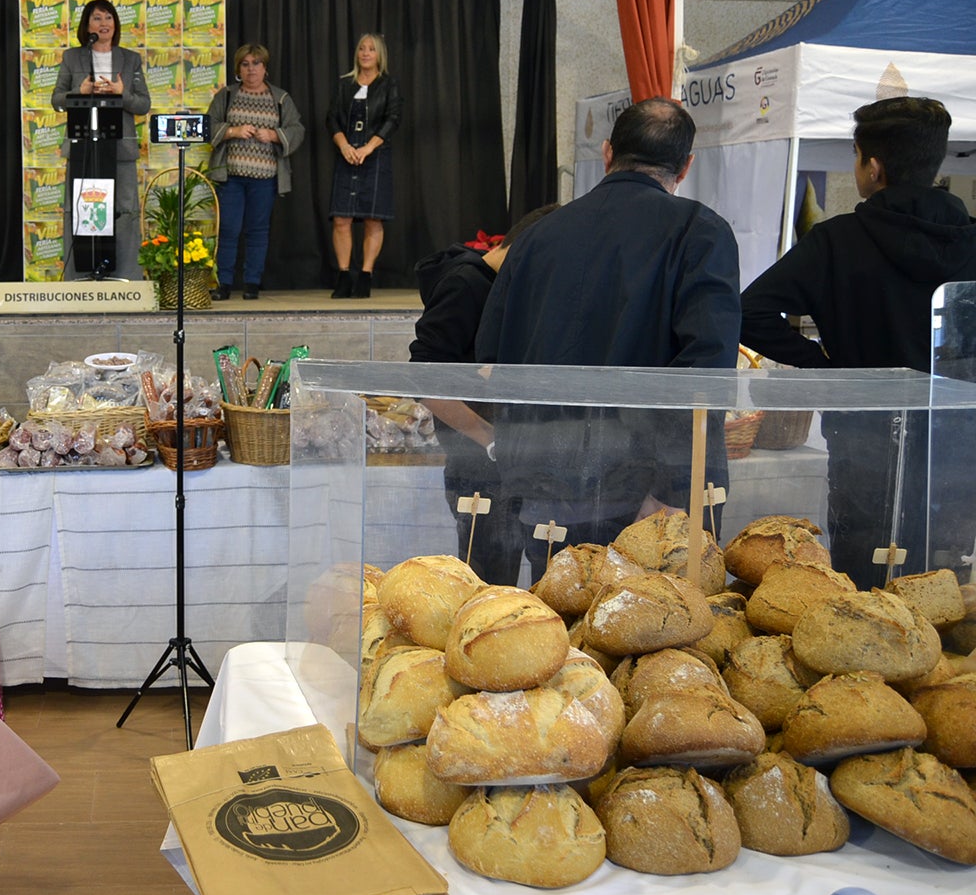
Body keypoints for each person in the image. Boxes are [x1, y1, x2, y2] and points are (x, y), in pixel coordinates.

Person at [476, 98, 741, 571]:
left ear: (606, 152)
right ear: (685, 166)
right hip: (647, 499)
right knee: (648, 634)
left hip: (543, 493)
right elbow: (707, 370)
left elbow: (490, 357)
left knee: (558, 633)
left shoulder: (537, 237)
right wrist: (672, 490)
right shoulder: (700, 233)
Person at [741, 96, 976, 588]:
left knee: (863, 582)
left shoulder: (837, 241)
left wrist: (829, 368)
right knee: (944, 586)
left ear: (872, 166)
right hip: (957, 444)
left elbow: (749, 311)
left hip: (865, 440)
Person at [409, 204, 558, 586]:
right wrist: (488, 438)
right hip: (479, 468)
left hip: (518, 464)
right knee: (487, 589)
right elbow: (423, 377)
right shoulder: (465, 284)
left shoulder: (503, 287)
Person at [51, 0, 152, 281]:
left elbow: (143, 105)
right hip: (83, 148)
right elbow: (56, 100)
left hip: (119, 148)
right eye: (97, 18)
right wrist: (78, 93)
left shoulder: (130, 59)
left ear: (116, 24)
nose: (104, 24)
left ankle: (127, 278)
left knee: (125, 211)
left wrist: (121, 94)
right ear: (87, 26)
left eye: (108, 18)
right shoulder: (72, 57)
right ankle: (78, 278)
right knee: (81, 212)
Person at [206, 44, 305, 301]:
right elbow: (208, 126)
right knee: (228, 229)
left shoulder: (280, 98)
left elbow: (297, 130)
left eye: (257, 63)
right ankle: (224, 283)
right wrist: (232, 131)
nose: (251, 69)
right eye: (246, 64)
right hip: (231, 177)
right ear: (239, 68)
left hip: (266, 178)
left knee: (257, 230)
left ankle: (252, 283)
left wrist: (273, 135)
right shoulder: (226, 95)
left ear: (265, 68)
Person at [326, 33, 402, 299]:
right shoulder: (344, 85)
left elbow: (393, 118)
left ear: (380, 54)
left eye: (371, 49)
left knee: (373, 218)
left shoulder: (388, 85)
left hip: (375, 155)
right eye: (361, 49)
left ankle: (366, 275)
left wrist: (368, 148)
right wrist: (345, 146)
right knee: (341, 218)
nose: (366, 53)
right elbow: (332, 118)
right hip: (347, 154)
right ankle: (344, 275)